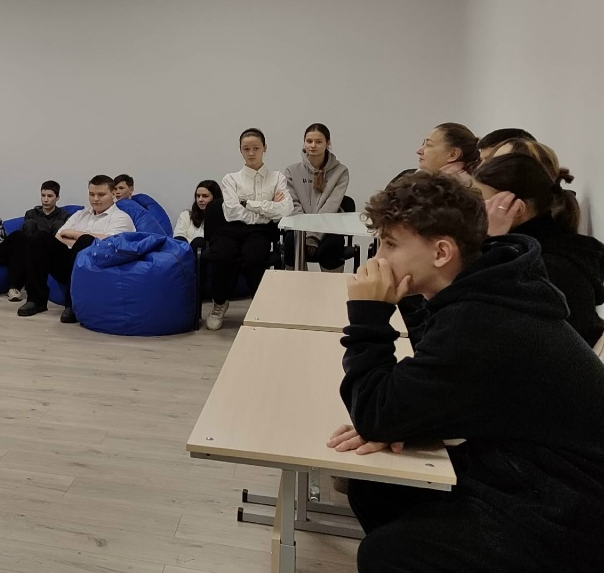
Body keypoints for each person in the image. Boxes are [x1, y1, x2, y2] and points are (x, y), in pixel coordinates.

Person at [327, 172, 604, 573]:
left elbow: (375, 414)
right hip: (523, 470)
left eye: (390, 244)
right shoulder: (486, 288)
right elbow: (433, 380)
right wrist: (402, 419)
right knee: (375, 487)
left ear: (441, 252)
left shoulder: (480, 320)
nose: (377, 260)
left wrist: (368, 315)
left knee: (388, 553)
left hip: (570, 509)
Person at [474, 153, 604, 347]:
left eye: (481, 202)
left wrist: (491, 239)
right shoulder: (538, 249)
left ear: (516, 208)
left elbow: (481, 312)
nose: (475, 211)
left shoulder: (544, 266)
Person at [206, 128, 292, 331]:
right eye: (246, 149)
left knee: (254, 259)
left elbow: (286, 209)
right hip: (230, 229)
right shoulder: (230, 179)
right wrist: (267, 209)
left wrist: (249, 204)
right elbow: (232, 211)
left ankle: (259, 305)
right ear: (240, 150)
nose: (251, 153)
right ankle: (220, 303)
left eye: (256, 148)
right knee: (222, 256)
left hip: (260, 232)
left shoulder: (277, 177)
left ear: (264, 148)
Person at [17, 175, 135, 323]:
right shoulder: (81, 214)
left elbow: (110, 244)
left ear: (112, 194)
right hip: (68, 264)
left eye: (101, 194)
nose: (95, 199)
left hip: (95, 268)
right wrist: (82, 238)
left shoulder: (121, 218)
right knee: (39, 238)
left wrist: (74, 235)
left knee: (86, 241)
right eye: (92, 194)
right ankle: (36, 300)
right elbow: (59, 236)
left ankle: (72, 305)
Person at [284, 123, 351, 273]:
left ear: (328, 143)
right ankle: (297, 284)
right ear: (304, 143)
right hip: (299, 228)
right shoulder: (291, 171)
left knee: (331, 247)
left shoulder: (341, 172)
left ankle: (331, 286)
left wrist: (313, 236)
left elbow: (331, 205)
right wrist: (304, 234)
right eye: (309, 141)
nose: (313, 145)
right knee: (290, 242)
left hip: (329, 227)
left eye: (318, 141)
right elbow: (293, 204)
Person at [3, 181, 70, 302]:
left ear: (57, 197)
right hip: (31, 254)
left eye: (50, 196)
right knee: (29, 224)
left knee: (59, 225)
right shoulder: (31, 214)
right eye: (43, 195)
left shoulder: (64, 215)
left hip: (52, 254)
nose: (45, 199)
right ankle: (21, 283)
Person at [413, 122, 480, 183]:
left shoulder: (459, 186)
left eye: (429, 145)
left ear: (453, 154)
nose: (419, 151)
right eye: (423, 144)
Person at [174, 180, 222, 245]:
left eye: (205, 196)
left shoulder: (224, 219)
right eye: (198, 196)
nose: (200, 200)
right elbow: (178, 239)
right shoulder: (186, 215)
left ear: (215, 198)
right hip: (187, 250)